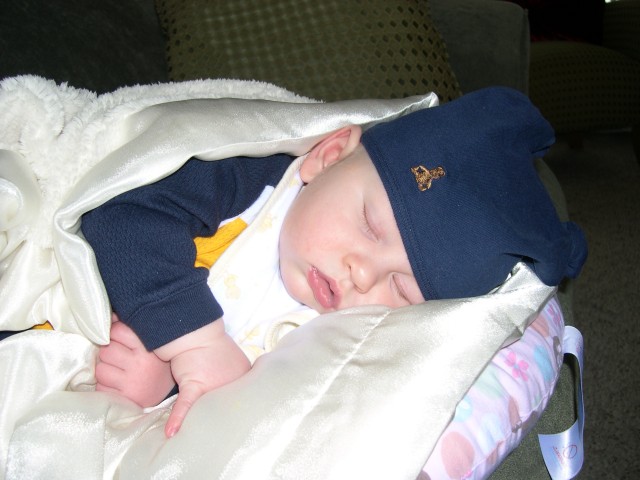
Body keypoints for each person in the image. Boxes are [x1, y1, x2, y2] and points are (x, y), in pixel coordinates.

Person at [80, 86, 588, 438]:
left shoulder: (335, 335)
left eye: (402, 289)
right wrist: (192, 343)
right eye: (369, 224)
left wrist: (162, 383)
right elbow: (122, 214)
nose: (362, 274)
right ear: (330, 155)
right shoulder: (246, 178)